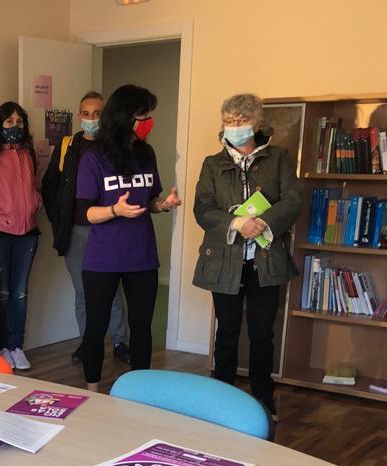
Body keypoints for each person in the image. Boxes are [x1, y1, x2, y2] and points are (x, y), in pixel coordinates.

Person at [192, 93, 301, 418]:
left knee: (262, 333)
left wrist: (263, 223)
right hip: (224, 260)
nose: (234, 127)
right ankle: (221, 397)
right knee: (226, 331)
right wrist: (238, 223)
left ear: (256, 123)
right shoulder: (213, 163)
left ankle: (263, 399)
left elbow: (293, 200)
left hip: (265, 260)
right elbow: (203, 208)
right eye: (228, 121)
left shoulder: (278, 158)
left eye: (240, 121)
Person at [75, 84, 180, 392]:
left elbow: (149, 201)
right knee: (96, 326)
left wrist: (163, 204)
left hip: (142, 256)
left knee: (141, 326)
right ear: (125, 117)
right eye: (143, 115)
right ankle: (93, 390)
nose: (148, 121)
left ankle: (139, 390)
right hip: (102, 258)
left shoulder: (146, 153)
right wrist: (114, 210)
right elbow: (85, 213)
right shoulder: (94, 158)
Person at [42, 91, 129, 365]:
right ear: (79, 115)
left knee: (111, 291)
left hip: (107, 229)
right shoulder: (67, 147)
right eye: (87, 114)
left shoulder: (115, 147)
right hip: (76, 232)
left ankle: (120, 341)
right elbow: (50, 186)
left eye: (98, 114)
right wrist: (58, 220)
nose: (92, 119)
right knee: (82, 291)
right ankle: (87, 343)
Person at [0, 101, 41, 371]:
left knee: (20, 293)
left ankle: (16, 346)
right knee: (3, 293)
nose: (15, 126)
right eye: (9, 122)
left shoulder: (28, 152)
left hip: (28, 232)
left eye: (19, 122)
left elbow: (35, 183)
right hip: (1, 232)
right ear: (0, 124)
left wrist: (36, 201)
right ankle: (0, 346)